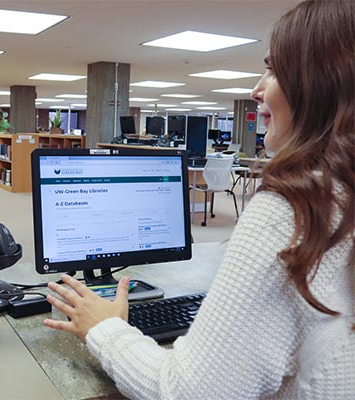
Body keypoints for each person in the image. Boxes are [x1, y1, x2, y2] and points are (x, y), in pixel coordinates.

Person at [43, 1, 354, 398]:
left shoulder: (296, 210)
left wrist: (106, 328)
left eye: (275, 69)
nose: (256, 90)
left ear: (323, 82)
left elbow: (189, 393)